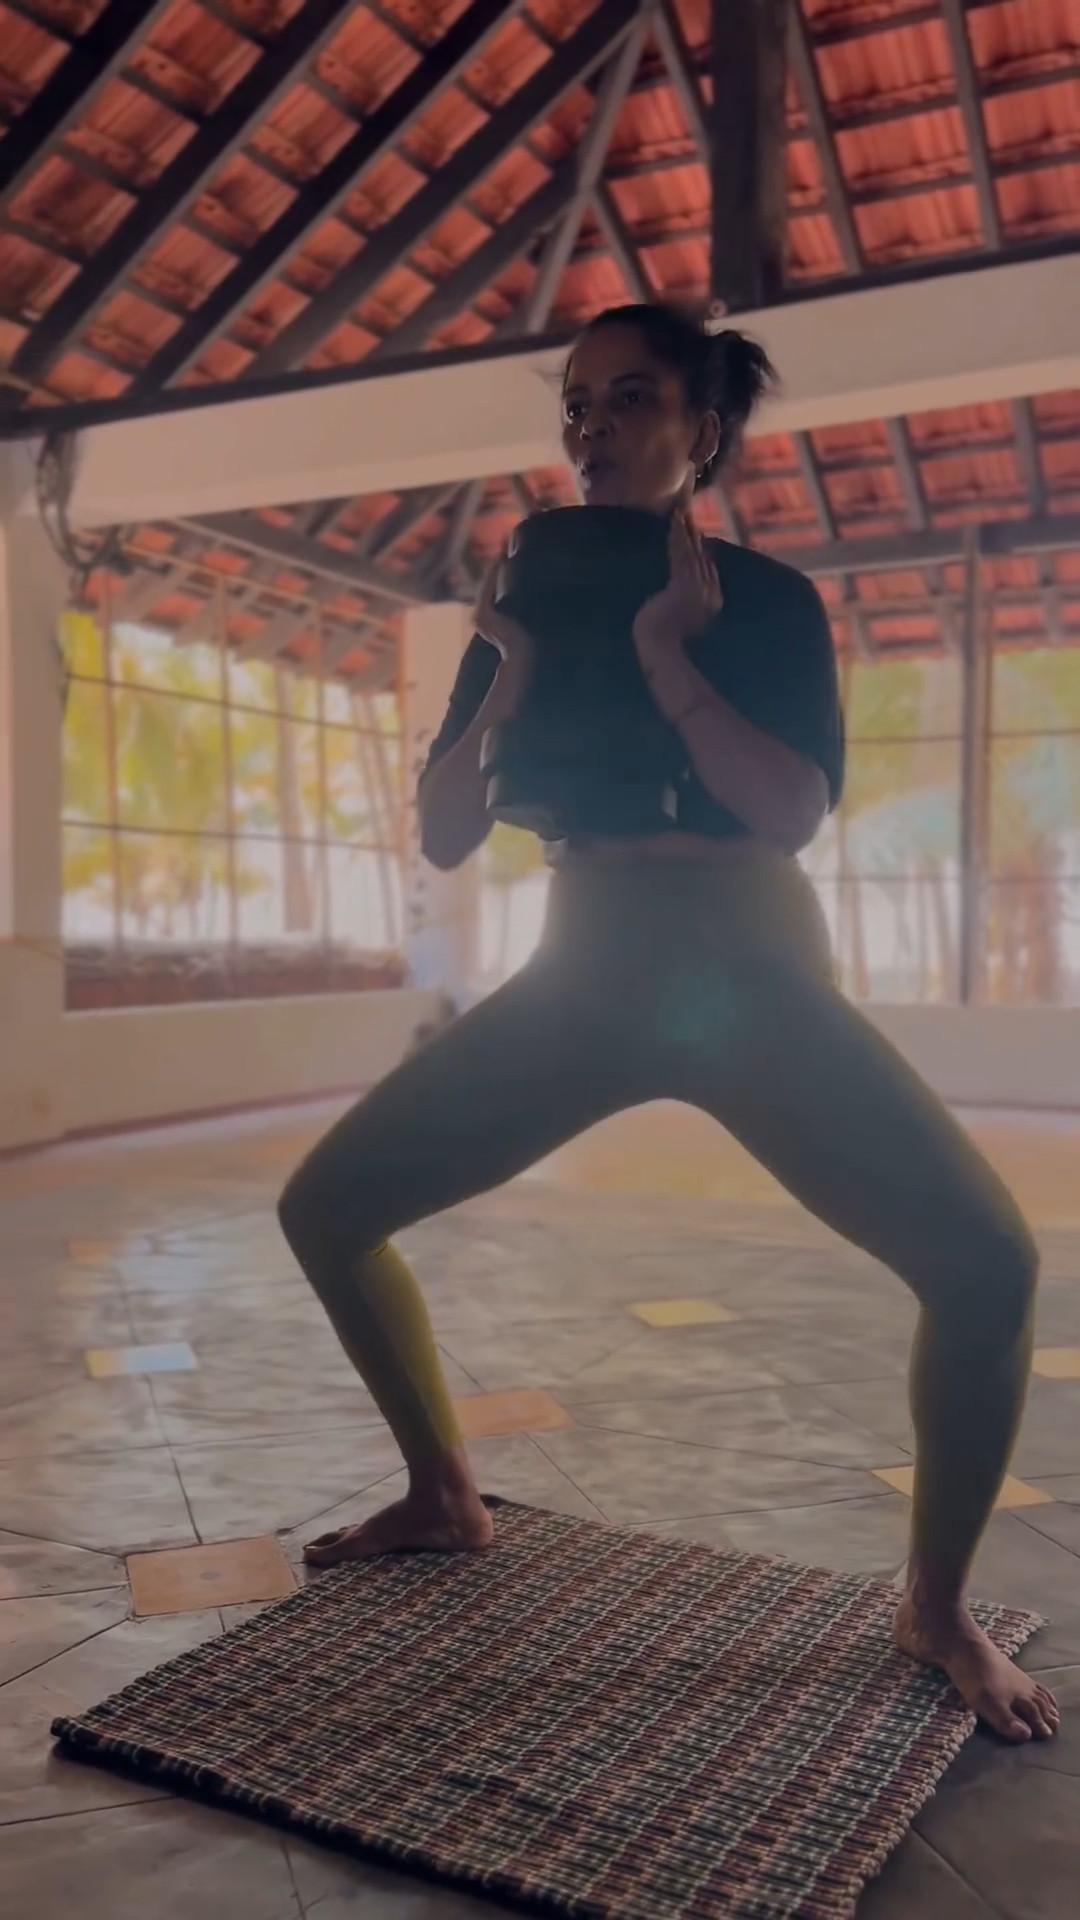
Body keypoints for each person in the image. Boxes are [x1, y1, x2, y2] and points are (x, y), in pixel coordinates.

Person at [279, 300, 1058, 1744]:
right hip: (586, 959)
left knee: (989, 1265)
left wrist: (668, 655)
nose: (593, 428)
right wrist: (506, 678)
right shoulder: (518, 605)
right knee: (325, 1209)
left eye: (629, 398)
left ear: (702, 430)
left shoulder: (763, 600)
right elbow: (446, 836)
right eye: (578, 404)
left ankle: (936, 1610)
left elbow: (790, 811)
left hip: (747, 963)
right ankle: (445, 1495)